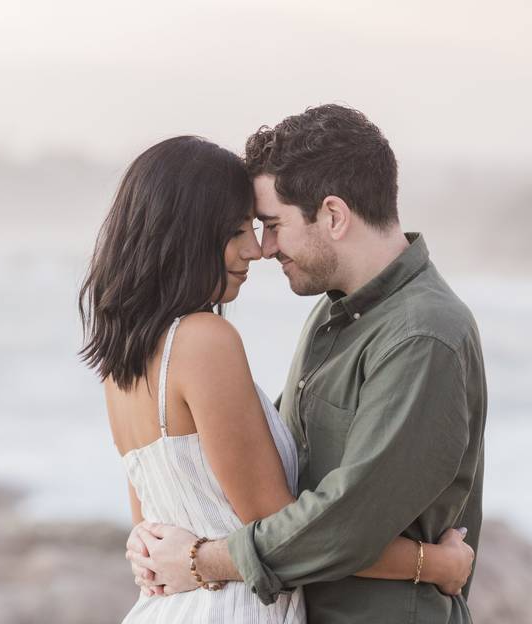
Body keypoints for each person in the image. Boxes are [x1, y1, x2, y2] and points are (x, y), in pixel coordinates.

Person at [79, 132, 475, 624]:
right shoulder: (207, 341)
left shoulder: (127, 358)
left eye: (266, 225)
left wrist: (189, 557)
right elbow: (283, 522)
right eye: (238, 230)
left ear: (333, 215)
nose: (257, 249)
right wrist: (435, 563)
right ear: (188, 235)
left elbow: (154, 528)